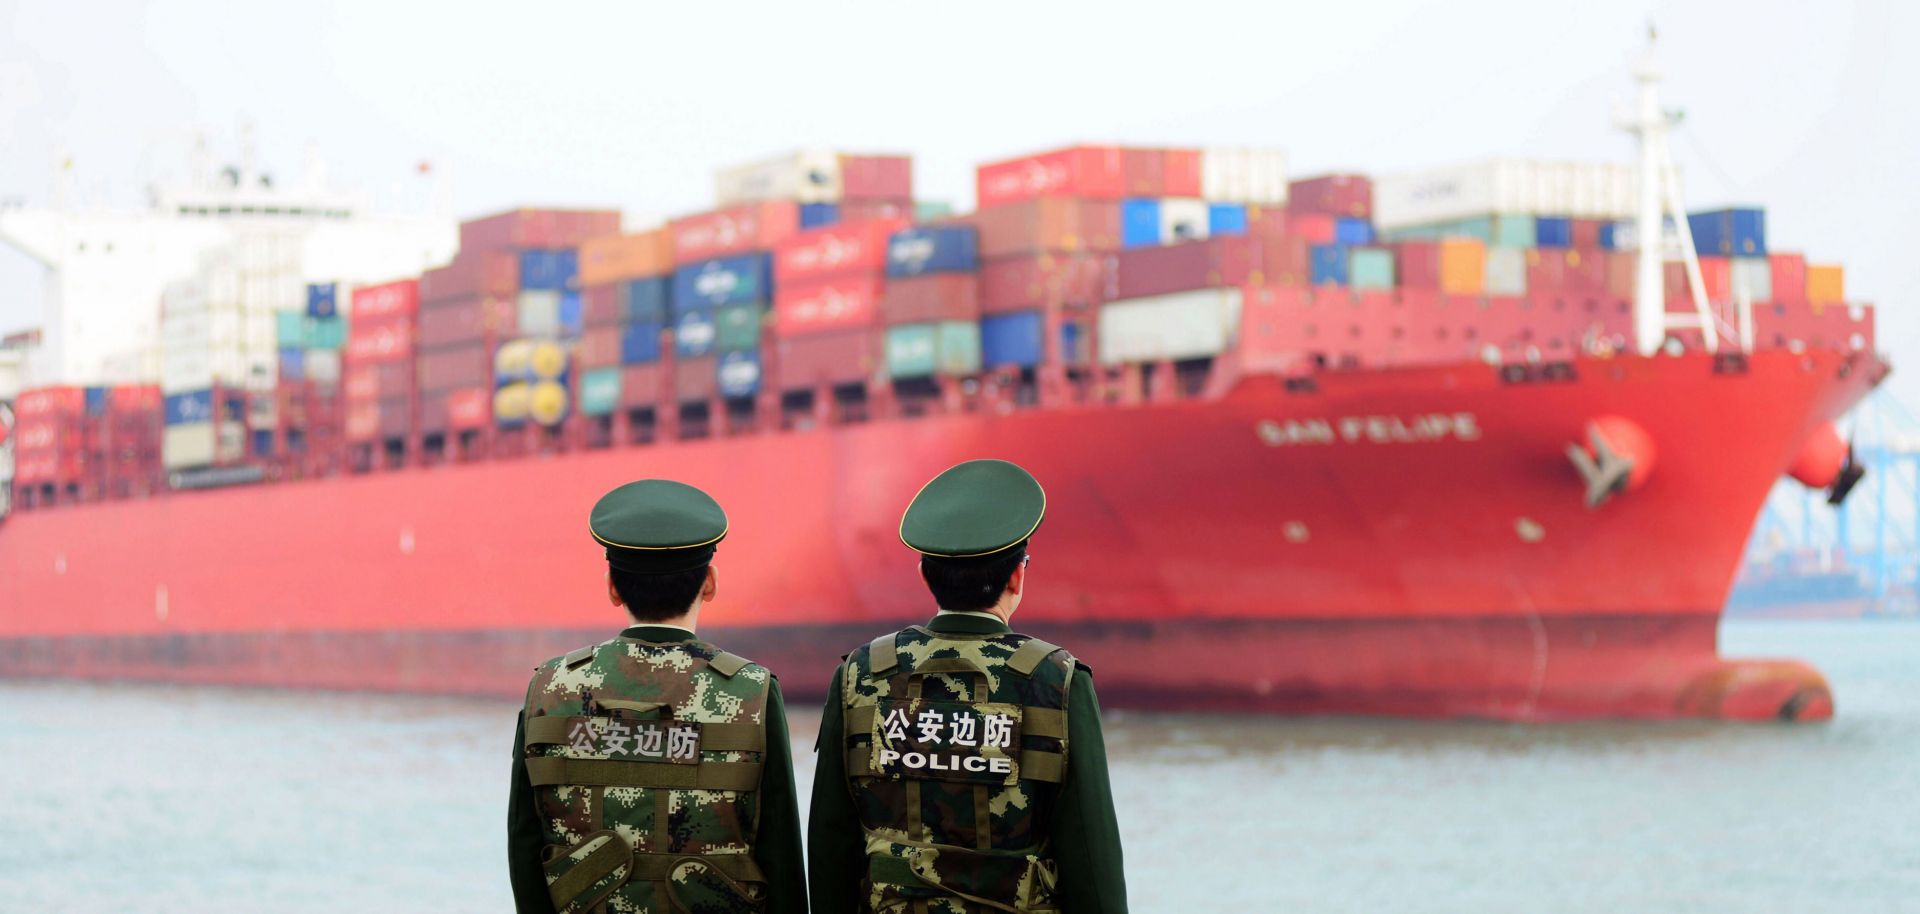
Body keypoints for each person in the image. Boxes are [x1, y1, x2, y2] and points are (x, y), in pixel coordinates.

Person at [808, 459, 1128, 913]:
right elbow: (1092, 860)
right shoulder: (1056, 680)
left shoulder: (861, 673)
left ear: (925, 576)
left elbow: (829, 844)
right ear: (1017, 576)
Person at [507, 479, 806, 914]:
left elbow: (525, 842)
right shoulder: (753, 690)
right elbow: (780, 855)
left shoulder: (551, 685)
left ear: (612, 587)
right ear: (709, 583)